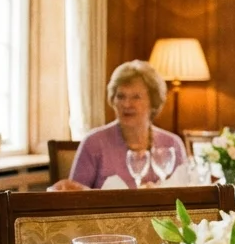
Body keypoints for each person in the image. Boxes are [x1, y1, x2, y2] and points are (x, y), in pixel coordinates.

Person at [55, 61, 189, 190]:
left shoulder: (172, 144)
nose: (126, 104)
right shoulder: (94, 142)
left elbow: (185, 192)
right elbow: (74, 196)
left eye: (136, 97)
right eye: (120, 96)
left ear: (153, 101)